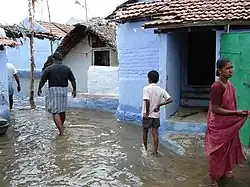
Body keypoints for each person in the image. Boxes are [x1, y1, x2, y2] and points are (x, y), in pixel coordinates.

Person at [205, 58, 249, 187]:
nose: (231, 70)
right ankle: (213, 179)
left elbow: (231, 104)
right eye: (227, 68)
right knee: (216, 153)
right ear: (219, 70)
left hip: (227, 124)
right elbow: (215, 109)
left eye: (231, 67)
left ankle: (224, 172)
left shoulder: (229, 85)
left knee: (228, 149)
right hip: (218, 126)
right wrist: (236, 113)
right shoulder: (217, 87)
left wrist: (238, 113)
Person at [38, 52, 76, 136]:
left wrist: (39, 88)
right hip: (64, 90)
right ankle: (61, 125)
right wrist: (74, 90)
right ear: (61, 60)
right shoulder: (67, 68)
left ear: (53, 59)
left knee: (55, 112)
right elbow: (73, 80)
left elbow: (43, 80)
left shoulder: (49, 69)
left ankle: (61, 130)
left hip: (53, 90)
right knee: (62, 110)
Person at [142, 70, 173, 156]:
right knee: (155, 133)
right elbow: (170, 100)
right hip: (156, 115)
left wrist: (147, 113)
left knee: (145, 132)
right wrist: (159, 105)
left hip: (147, 115)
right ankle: (155, 152)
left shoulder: (146, 89)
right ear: (158, 79)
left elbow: (147, 101)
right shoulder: (161, 90)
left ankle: (145, 150)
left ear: (149, 79)